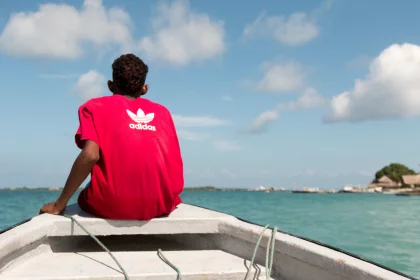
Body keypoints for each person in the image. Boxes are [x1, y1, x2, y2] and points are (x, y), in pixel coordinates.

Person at [39, 54, 184, 220]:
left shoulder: (94, 107)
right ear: (145, 88)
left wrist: (59, 205)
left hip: (111, 206)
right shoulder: (163, 113)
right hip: (161, 205)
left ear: (110, 85)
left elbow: (90, 155)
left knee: (89, 189)